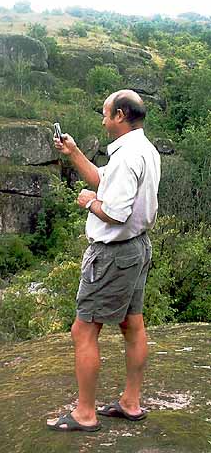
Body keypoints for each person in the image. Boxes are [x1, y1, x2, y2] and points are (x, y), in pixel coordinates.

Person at [46, 89, 161, 432]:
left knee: (83, 330)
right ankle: (130, 402)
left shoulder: (127, 157)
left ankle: (84, 413)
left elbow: (114, 212)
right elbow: (105, 181)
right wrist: (75, 153)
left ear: (121, 116)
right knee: (132, 323)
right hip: (138, 248)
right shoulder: (144, 149)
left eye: (106, 113)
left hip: (113, 254)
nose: (103, 118)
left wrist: (88, 203)